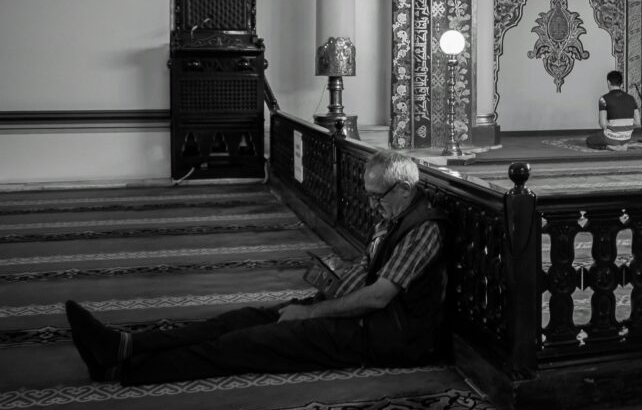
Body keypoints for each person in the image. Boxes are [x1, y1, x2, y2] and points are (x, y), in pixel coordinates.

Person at [65, 150, 446, 385]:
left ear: (404, 190)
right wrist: (334, 278)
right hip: (349, 315)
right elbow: (370, 269)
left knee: (242, 345)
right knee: (240, 319)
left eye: (377, 198)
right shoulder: (394, 216)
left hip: (376, 338)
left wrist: (309, 312)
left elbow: (379, 298)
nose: (372, 206)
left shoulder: (423, 230)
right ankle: (124, 345)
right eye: (369, 197)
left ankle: (122, 370)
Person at [585, 70, 639, 151]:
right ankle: (622, 144)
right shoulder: (632, 98)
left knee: (589, 140)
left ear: (608, 82)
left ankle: (610, 147)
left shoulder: (603, 99)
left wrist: (613, 128)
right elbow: (637, 123)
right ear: (621, 83)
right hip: (627, 138)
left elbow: (603, 124)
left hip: (611, 138)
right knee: (617, 137)